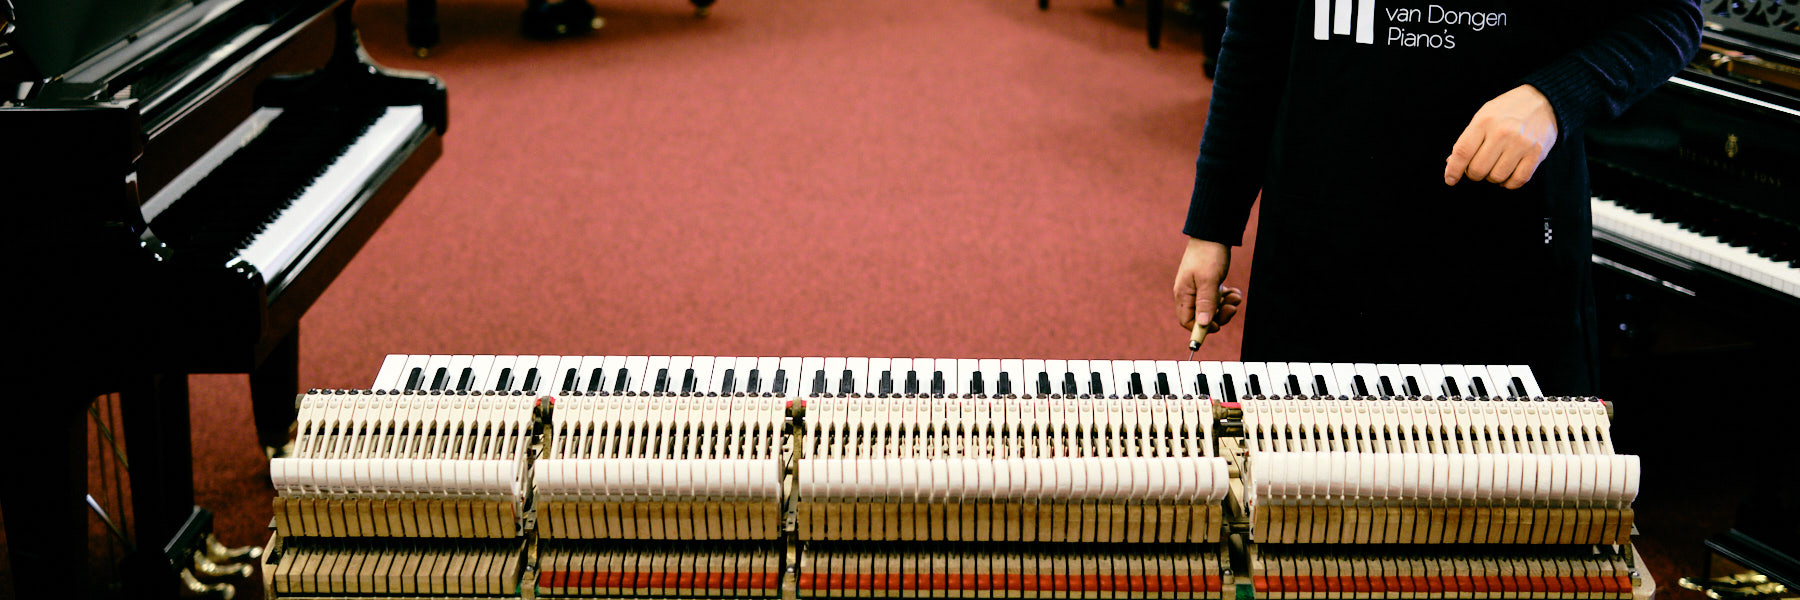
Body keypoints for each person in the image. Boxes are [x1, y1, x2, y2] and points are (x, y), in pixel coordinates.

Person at [1171, 0, 1702, 395]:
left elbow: (1671, 16)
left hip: (1497, 256)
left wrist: (1553, 98)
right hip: (1318, 248)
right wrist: (1211, 225)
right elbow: (1255, 39)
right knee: (1304, 507)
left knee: (1497, 519)